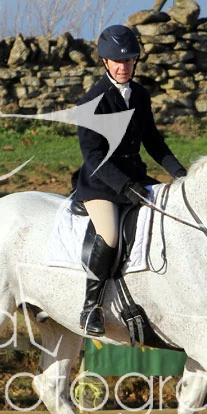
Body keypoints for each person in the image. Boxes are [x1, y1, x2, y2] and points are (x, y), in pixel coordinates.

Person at [72, 24, 186, 337]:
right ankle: (91, 308)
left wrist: (179, 173)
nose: (124, 67)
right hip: (101, 184)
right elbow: (94, 157)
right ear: (105, 62)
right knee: (109, 236)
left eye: (129, 60)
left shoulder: (140, 95)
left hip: (135, 179)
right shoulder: (91, 102)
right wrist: (125, 186)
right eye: (117, 62)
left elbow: (154, 142)